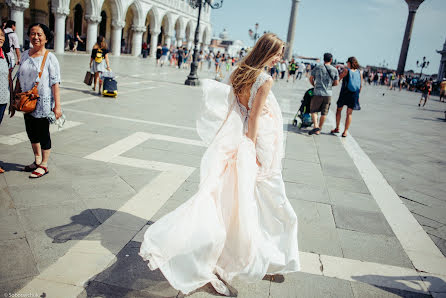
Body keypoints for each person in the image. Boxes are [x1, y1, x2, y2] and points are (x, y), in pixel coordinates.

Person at [139, 33, 299, 296]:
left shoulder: (239, 72)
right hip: (253, 145)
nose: (280, 58)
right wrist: (254, 152)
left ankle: (250, 254)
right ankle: (260, 257)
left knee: (232, 201)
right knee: (271, 205)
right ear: (268, 52)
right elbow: (255, 119)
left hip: (234, 141)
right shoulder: (265, 79)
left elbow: (235, 109)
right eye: (278, 53)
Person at [10, 23, 61, 178]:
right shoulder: (25, 54)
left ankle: (44, 164)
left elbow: (55, 83)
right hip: (26, 101)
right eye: (33, 33)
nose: (36, 37)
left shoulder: (50, 57)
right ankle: (37, 159)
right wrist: (15, 98)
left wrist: (57, 106)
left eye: (39, 34)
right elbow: (19, 78)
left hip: (43, 103)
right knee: (31, 131)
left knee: (43, 133)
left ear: (46, 37)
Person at [308, 53, 339, 135]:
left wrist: (314, 85)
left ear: (323, 59)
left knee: (314, 110)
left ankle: (315, 125)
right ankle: (319, 129)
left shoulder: (318, 67)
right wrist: (329, 86)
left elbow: (311, 78)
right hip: (328, 94)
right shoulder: (334, 69)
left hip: (317, 92)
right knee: (324, 112)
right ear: (331, 60)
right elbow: (336, 83)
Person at [331, 57, 362, 137]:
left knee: (339, 110)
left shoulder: (346, 70)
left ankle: (337, 128)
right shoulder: (359, 72)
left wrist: (332, 84)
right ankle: (345, 132)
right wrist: (357, 95)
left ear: (350, 63)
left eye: (347, 62)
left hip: (345, 93)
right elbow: (360, 85)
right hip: (354, 94)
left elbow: (339, 78)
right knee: (349, 114)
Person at [0, 28, 11, 173]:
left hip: (2, 100)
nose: (0, 38)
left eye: (2, 35)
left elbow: (8, 77)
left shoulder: (5, 56)